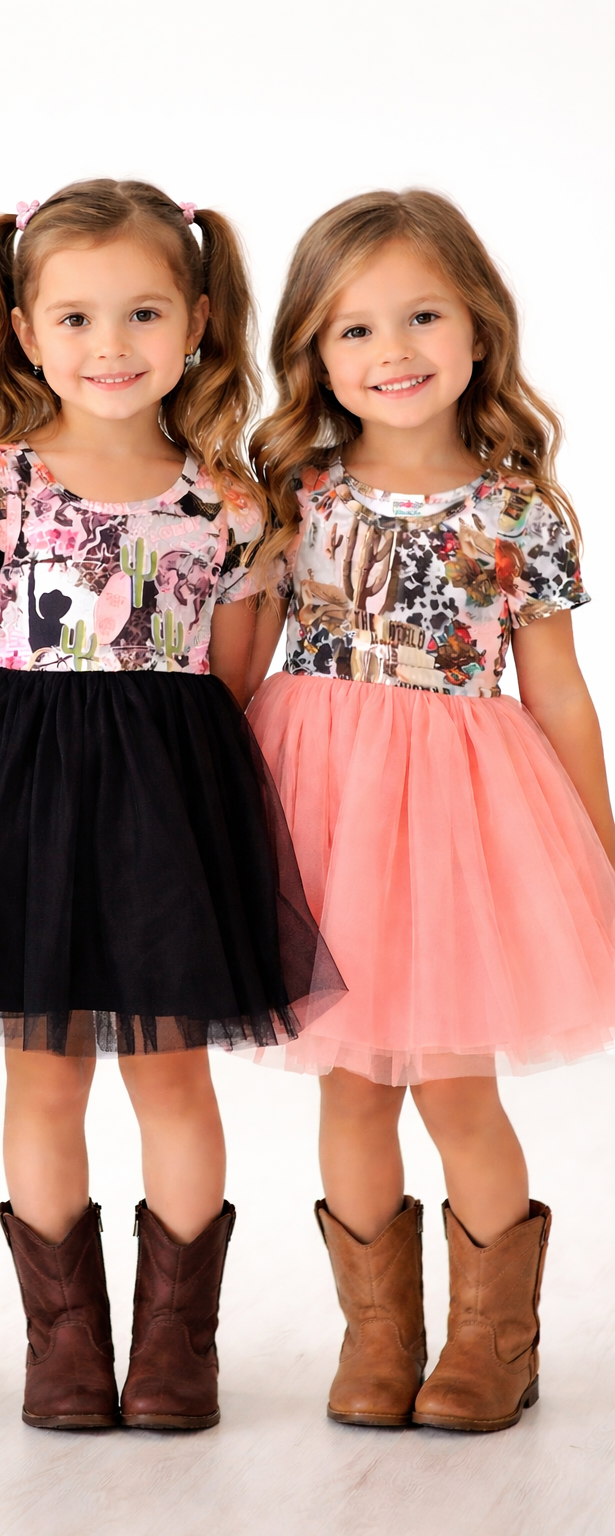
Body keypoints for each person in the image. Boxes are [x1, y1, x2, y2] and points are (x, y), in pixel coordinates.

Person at [0, 179, 341, 1432]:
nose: (112, 347)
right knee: (41, 1079)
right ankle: (62, 1347)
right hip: (24, 802)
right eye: (78, 317)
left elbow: (237, 673)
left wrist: (185, 794)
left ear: (198, 319)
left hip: (167, 803)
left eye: (144, 313)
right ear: (26, 330)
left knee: (170, 1077)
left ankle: (173, 1349)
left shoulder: (229, 501)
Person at [247, 188, 615, 1433]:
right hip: (322, 806)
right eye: (352, 331)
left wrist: (599, 846)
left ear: (477, 329)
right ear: (311, 349)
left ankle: (487, 1342)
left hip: (462, 821)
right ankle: (377, 1339)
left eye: (419, 317)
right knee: (349, 1084)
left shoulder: (518, 509)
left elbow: (558, 691)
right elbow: (240, 657)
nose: (390, 352)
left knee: (456, 1082)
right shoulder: (291, 489)